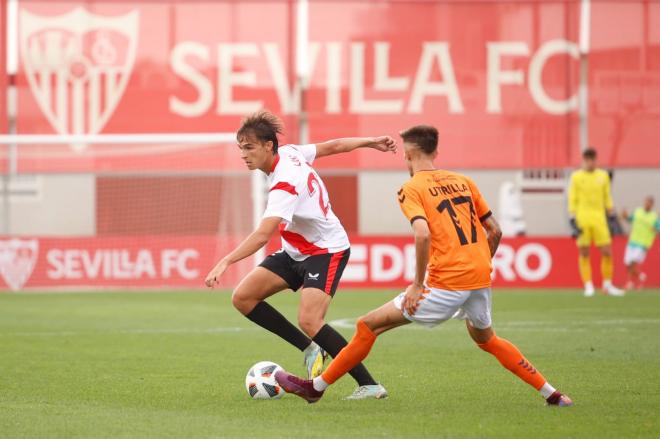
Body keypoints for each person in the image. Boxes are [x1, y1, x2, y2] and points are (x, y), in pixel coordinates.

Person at [274, 125, 573, 407]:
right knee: (487, 339)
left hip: (446, 283)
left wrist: (418, 285)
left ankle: (314, 388)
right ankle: (553, 394)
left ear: (408, 155)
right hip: (480, 278)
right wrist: (478, 265)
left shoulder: (411, 189)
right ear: (435, 153)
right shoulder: (464, 182)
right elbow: (495, 230)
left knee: (368, 325)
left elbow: (422, 234)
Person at [204, 110, 395, 399]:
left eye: (249, 147)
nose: (244, 154)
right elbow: (332, 146)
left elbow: (263, 234)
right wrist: (370, 141)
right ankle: (310, 348)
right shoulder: (292, 152)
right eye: (241, 148)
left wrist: (226, 259)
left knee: (310, 320)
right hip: (296, 250)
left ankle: (368, 384)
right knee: (243, 297)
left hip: (325, 250)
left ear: (269, 146)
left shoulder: (284, 182)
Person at [568, 148, 624, 297]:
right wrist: (572, 218)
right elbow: (572, 197)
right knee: (584, 253)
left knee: (607, 251)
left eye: (593, 159)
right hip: (582, 218)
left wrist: (611, 213)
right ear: (583, 160)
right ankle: (588, 286)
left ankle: (607, 285)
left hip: (600, 218)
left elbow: (607, 197)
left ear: (596, 160)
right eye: (587, 160)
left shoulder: (603, 175)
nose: (590, 162)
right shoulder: (576, 176)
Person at [621, 196, 660, 290]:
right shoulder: (638, 211)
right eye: (646, 202)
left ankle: (630, 283)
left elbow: (658, 229)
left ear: (652, 205)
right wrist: (625, 216)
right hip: (632, 241)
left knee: (633, 263)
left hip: (643, 244)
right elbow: (630, 219)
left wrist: (655, 230)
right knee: (627, 263)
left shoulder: (654, 217)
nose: (647, 204)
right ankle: (641, 277)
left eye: (649, 203)